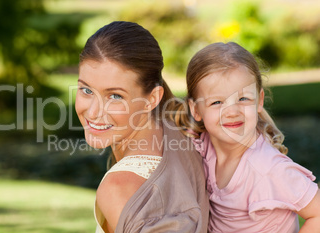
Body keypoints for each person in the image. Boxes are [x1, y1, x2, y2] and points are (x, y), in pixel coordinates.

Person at [75, 21, 209, 233]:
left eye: (115, 96)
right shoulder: (178, 130)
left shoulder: (118, 189)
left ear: (152, 98)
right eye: (86, 91)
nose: (92, 112)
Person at [172, 41, 320, 232]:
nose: (232, 111)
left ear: (259, 101)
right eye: (217, 102)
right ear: (196, 110)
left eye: (243, 99)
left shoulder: (268, 169)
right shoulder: (204, 144)